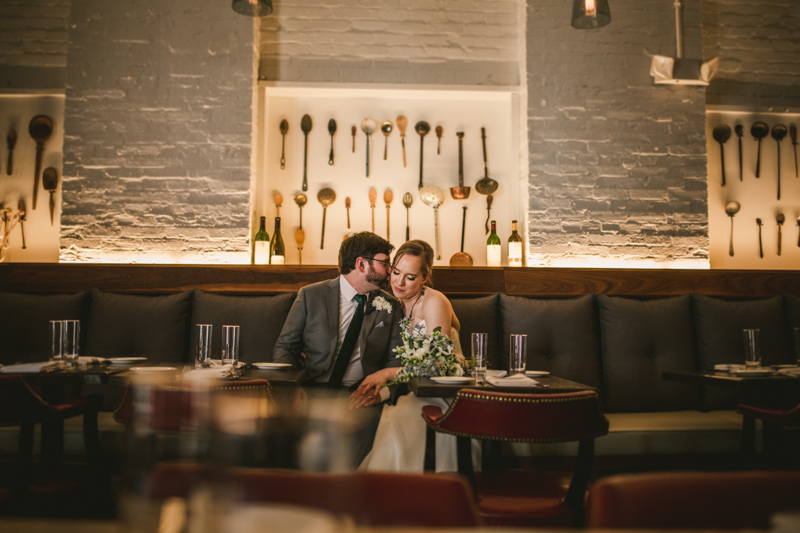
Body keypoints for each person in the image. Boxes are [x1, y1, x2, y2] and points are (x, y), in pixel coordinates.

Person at [273, 232, 404, 465]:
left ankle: (342, 489)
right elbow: (285, 347)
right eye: (384, 263)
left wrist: (382, 392)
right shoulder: (311, 295)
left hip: (359, 395)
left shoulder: (389, 305)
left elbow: (396, 359)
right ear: (361, 264)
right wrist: (292, 389)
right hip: (312, 389)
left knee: (364, 435)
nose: (389, 270)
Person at [354, 240, 479, 472]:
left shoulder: (434, 302)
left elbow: (436, 363)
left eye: (410, 277)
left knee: (402, 417)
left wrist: (387, 374)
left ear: (425, 278)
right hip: (412, 387)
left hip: (444, 390)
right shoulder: (391, 303)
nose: (399, 282)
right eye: (396, 272)